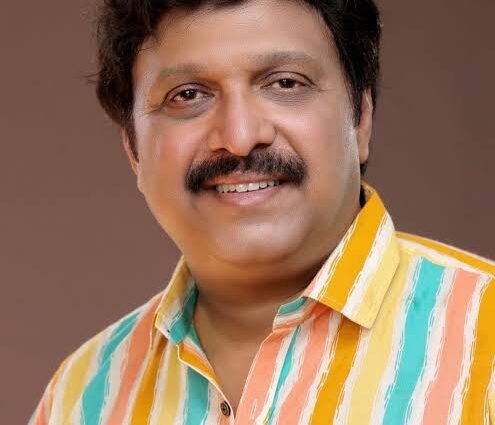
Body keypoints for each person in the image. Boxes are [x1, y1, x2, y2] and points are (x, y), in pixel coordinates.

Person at [29, 0, 494, 424]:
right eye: (188, 95)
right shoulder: (82, 396)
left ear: (361, 116)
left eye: (285, 83)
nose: (239, 136)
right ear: (133, 149)